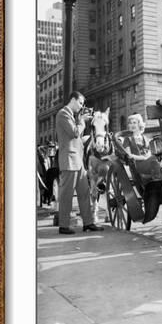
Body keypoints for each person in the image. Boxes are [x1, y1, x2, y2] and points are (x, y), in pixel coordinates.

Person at [55, 91, 104, 234]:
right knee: (66, 194)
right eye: (81, 103)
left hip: (77, 160)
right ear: (73, 100)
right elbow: (74, 133)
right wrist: (82, 120)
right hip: (69, 160)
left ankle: (88, 223)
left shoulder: (70, 115)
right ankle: (63, 226)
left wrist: (80, 120)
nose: (81, 106)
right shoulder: (63, 113)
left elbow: (76, 136)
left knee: (84, 192)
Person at [122, 113, 162, 180]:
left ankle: (159, 179)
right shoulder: (128, 139)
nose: (132, 125)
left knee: (157, 159)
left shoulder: (144, 137)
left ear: (139, 124)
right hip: (138, 164)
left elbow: (149, 151)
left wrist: (147, 156)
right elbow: (129, 155)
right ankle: (158, 178)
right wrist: (142, 158)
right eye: (130, 123)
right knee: (154, 162)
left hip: (148, 160)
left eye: (134, 123)